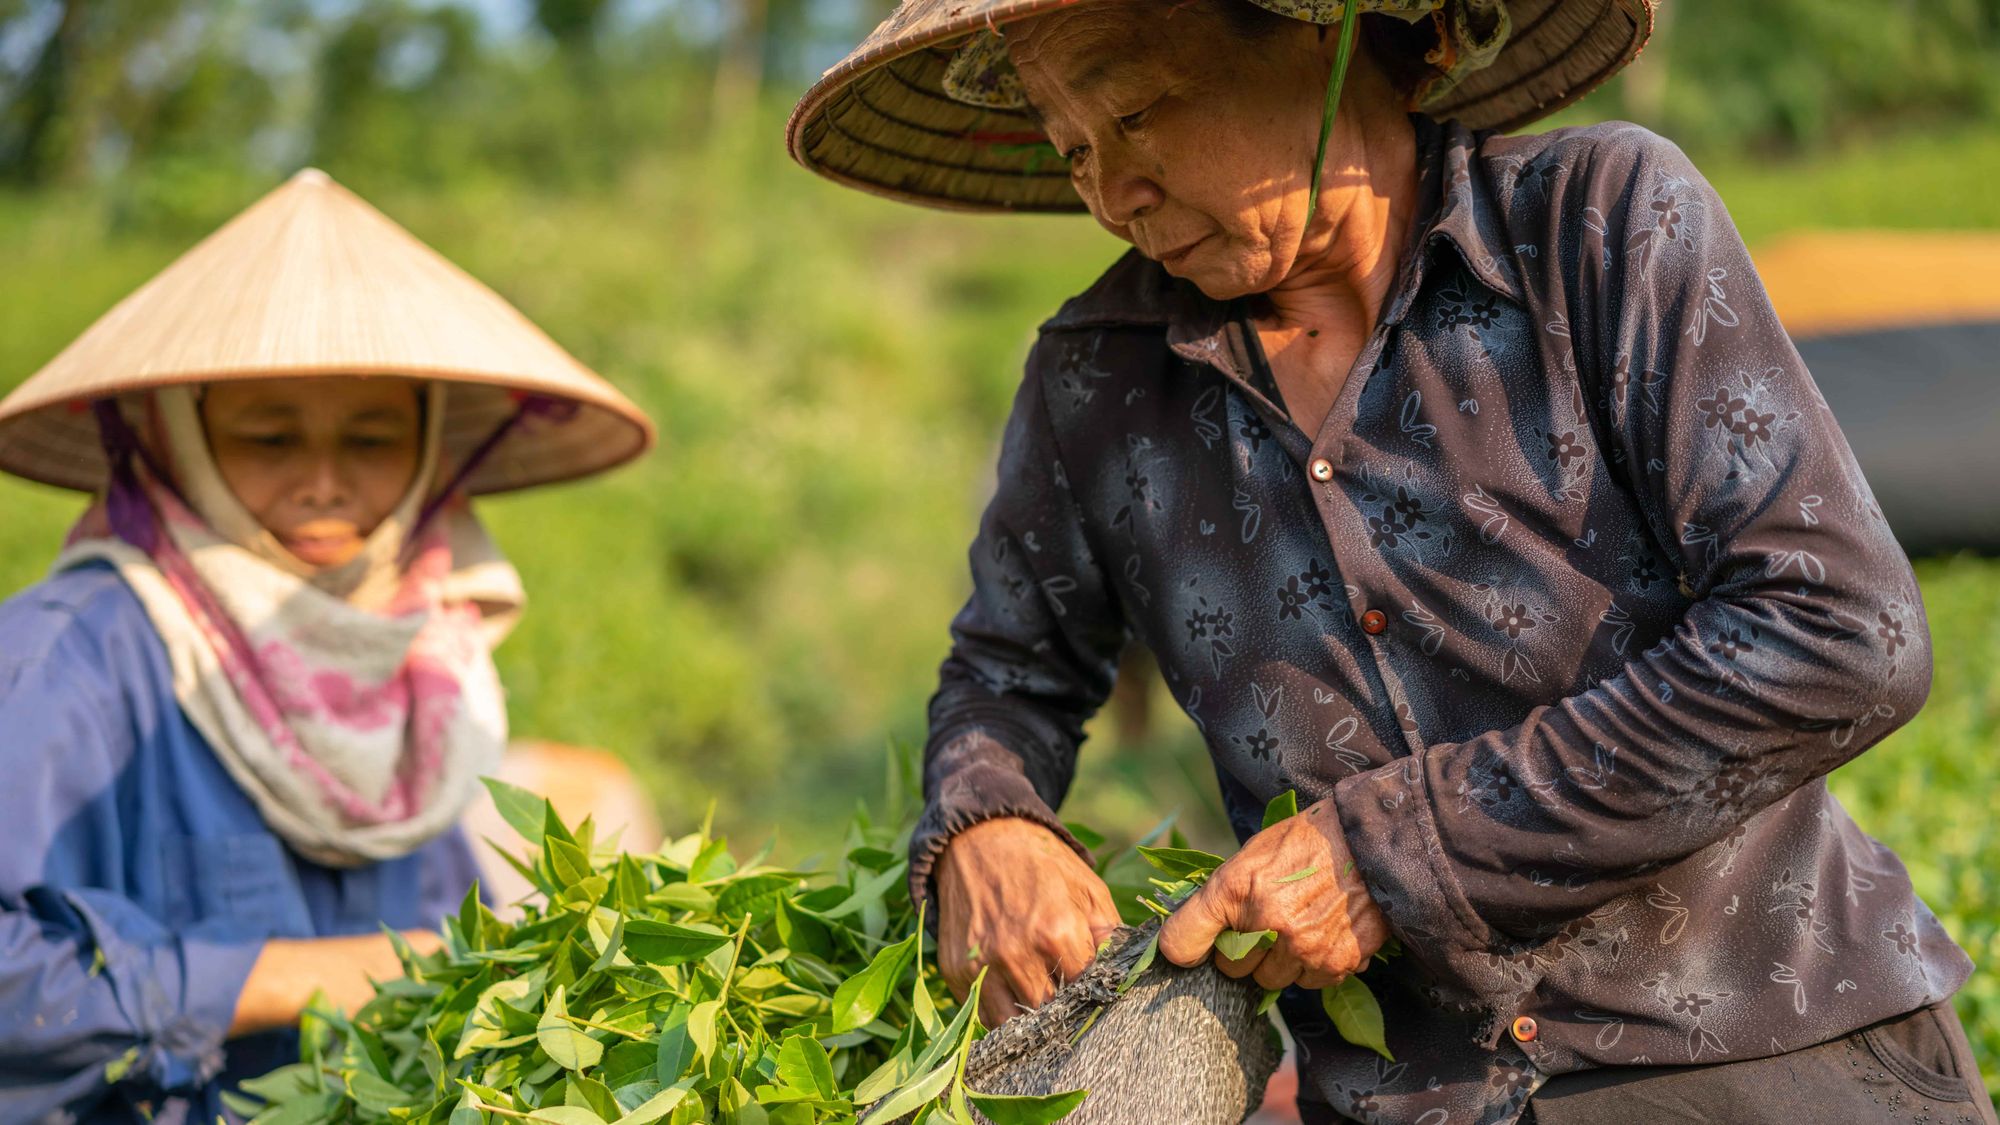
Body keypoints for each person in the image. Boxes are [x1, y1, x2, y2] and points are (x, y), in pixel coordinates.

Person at [788, 2, 1996, 1121]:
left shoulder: (1595, 224)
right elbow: (1005, 670)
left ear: (1320, 33)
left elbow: (1840, 632)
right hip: (1402, 1098)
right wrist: (984, 825)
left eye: (1136, 111)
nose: (1113, 190)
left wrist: (1386, 853)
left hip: (1763, 1049)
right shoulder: (1096, 381)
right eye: (1068, 148)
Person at [0, 169, 653, 1123]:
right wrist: (281, 977)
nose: (324, 483)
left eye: (372, 439)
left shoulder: (422, 667)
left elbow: (442, 962)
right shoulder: (73, 658)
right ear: (179, 442)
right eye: (268, 437)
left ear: (429, 449)